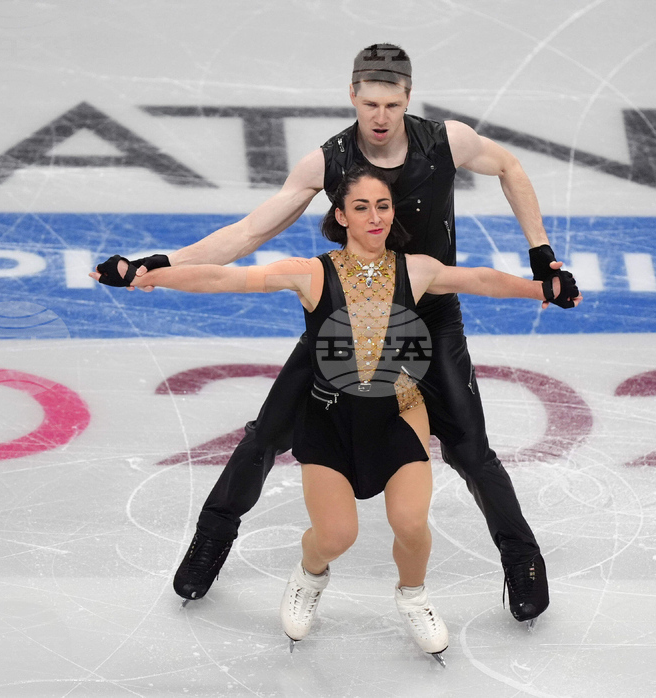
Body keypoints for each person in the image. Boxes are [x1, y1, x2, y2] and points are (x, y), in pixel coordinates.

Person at [95, 43, 581, 626]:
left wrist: (542, 255)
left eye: (392, 104)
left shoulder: (446, 140)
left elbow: (510, 168)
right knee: (263, 436)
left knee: (471, 449)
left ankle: (521, 560)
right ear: (353, 96)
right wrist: (163, 264)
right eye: (370, 102)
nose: (380, 116)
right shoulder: (327, 162)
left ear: (408, 98)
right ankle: (210, 541)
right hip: (342, 324)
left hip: (429, 317)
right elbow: (250, 234)